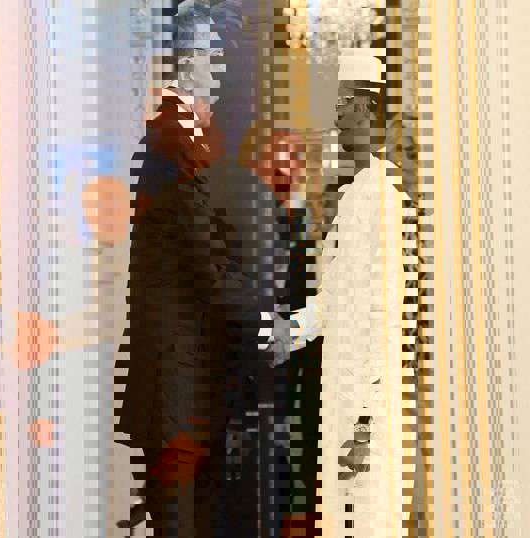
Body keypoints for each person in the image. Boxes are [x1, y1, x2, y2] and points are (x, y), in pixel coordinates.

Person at [115, 3, 282, 535]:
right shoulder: (178, 141)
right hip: (179, 388)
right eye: (206, 57)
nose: (214, 68)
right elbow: (211, 270)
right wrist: (270, 321)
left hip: (187, 382)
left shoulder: (183, 140)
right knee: (184, 518)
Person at [286, 49, 416, 538]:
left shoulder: (383, 200)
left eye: (344, 105)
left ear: (366, 108)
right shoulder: (355, 197)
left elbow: (386, 319)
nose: (338, 118)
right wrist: (283, 333)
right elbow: (332, 302)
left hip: (367, 412)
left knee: (368, 523)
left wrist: (364, 421)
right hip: (343, 401)